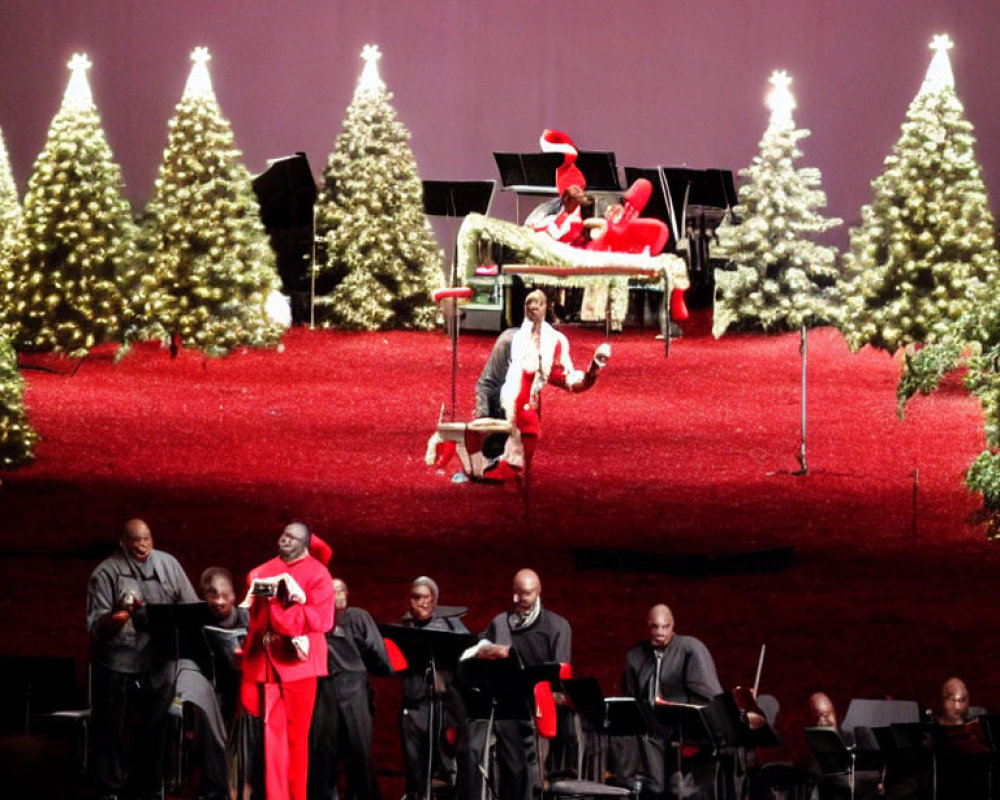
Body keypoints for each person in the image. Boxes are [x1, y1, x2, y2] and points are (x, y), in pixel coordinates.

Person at [86, 518, 204, 800]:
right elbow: (97, 629)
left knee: (155, 729)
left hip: (159, 663)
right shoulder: (105, 573)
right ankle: (110, 790)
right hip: (117, 664)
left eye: (146, 539)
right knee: (112, 731)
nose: (142, 546)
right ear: (123, 542)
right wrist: (124, 613)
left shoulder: (168, 565)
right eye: (135, 540)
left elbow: (191, 610)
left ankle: (150, 787)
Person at [240, 522, 336, 800]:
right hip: (265, 664)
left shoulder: (319, 574)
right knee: (270, 738)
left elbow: (322, 620)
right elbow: (252, 585)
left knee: (296, 741)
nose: (284, 541)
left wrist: (284, 610)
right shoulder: (266, 570)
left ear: (304, 544)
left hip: (299, 667)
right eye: (283, 535)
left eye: (292, 538)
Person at [476, 290, 610, 483]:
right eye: (529, 302)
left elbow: (568, 380)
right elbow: (486, 383)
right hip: (500, 409)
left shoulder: (553, 342)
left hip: (528, 412)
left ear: (546, 308)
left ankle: (513, 465)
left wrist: (592, 370)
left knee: (522, 452)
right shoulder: (509, 340)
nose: (533, 307)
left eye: (539, 303)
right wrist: (481, 421)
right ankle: (498, 456)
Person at [465, 568, 573, 800]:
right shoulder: (500, 622)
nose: (517, 600)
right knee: (510, 772)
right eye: (515, 593)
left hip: (539, 710)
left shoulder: (557, 626)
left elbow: (561, 675)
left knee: (533, 775)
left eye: (524, 594)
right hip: (506, 710)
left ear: (538, 592)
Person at [619, 604, 723, 800]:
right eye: (655, 627)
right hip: (651, 732)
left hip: (683, 731)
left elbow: (708, 693)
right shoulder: (635, 655)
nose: (660, 633)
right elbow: (631, 697)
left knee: (679, 789)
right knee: (654, 787)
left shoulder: (690, 648)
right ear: (648, 627)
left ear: (673, 625)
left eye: (665, 627)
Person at [308, 577, 393, 800]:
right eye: (331, 591)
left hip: (354, 691)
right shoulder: (316, 621)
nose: (337, 595)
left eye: (341, 591)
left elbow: (380, 659)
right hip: (324, 691)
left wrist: (363, 651)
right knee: (323, 754)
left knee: (359, 752)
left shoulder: (358, 617)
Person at [397, 576, 470, 800]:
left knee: (446, 766)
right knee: (414, 766)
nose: (421, 603)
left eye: (425, 597)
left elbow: (468, 655)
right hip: (414, 706)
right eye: (416, 598)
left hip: (443, 706)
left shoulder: (451, 625)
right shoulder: (404, 627)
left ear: (434, 600)